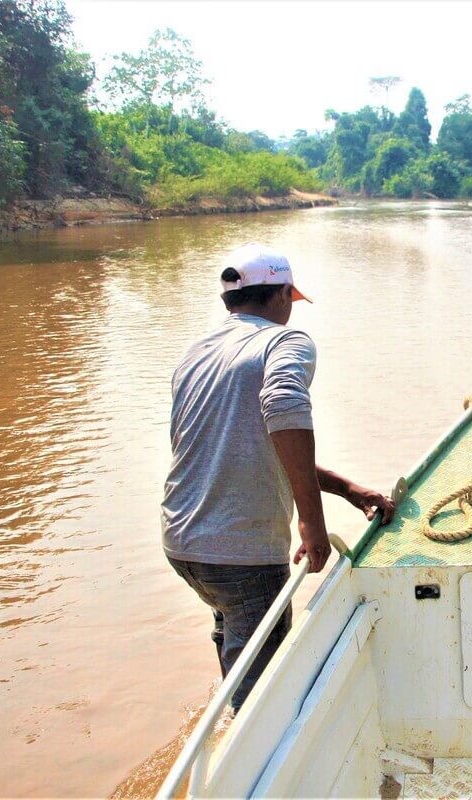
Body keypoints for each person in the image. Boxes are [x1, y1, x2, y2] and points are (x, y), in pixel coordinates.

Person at [162, 242, 394, 711]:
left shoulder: (198, 351)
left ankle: (230, 708)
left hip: (183, 543)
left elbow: (241, 446)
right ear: (284, 295)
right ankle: (247, 757)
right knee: (263, 699)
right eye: (291, 298)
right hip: (239, 552)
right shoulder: (284, 341)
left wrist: (346, 489)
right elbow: (285, 405)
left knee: (234, 631)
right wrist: (312, 520)